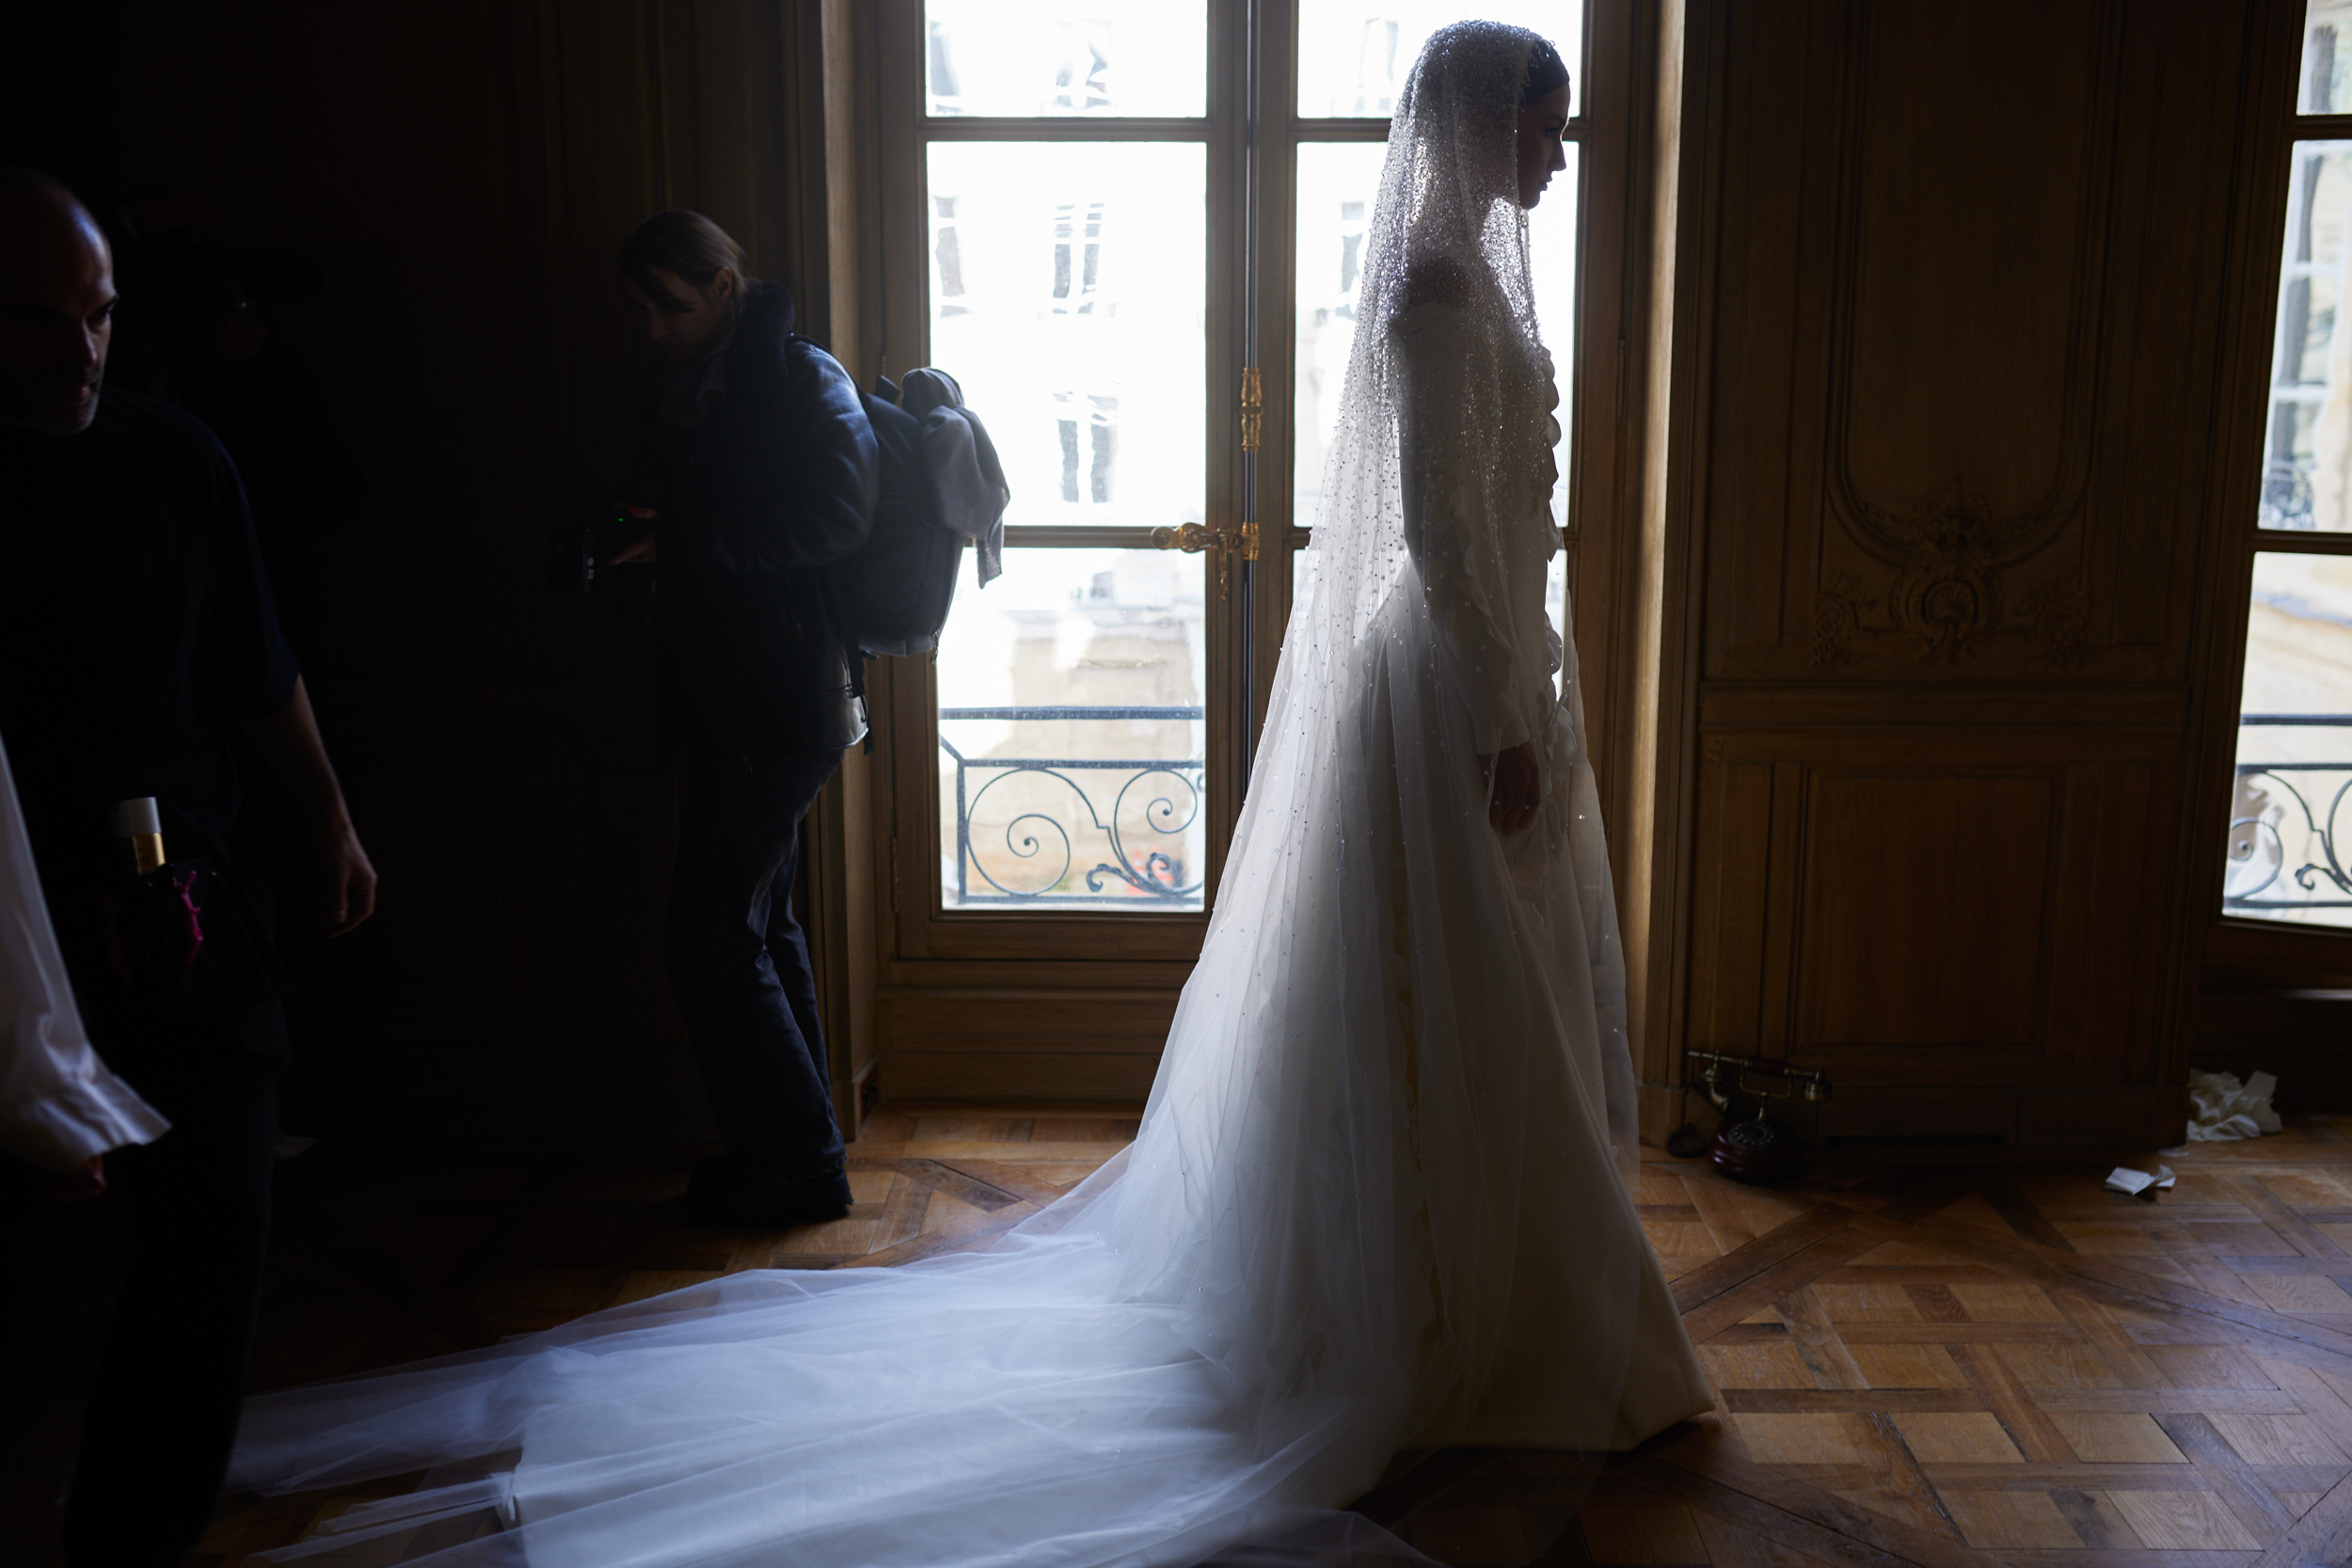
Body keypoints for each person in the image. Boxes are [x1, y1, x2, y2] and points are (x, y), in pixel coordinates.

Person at [227, 26, 1711, 1566]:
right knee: (1436, 1000)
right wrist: (1498, 714)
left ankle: (1508, 1304)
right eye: (1548, 124)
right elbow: (1447, 541)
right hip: (1454, 687)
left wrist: (1527, 683)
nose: (1561, 151)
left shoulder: (1462, 277)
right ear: (1481, 124)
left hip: (1484, 674)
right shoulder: (1438, 294)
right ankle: (1446, 1323)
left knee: (1481, 1002)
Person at [0, 166, 378, 1568]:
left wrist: (331, 815)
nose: (79, 352)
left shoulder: (175, 455)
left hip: (184, 893)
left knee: (216, 1240)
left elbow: (255, 667)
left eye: (97, 316)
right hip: (8, 925)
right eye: (38, 323)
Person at [602, 212, 877, 1228]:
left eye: (669, 305)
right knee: (757, 922)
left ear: (723, 286)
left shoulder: (799, 377)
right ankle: (797, 1144)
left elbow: (837, 515)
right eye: (637, 309)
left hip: (780, 694)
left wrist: (685, 541)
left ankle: (799, 1161)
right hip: (742, 690)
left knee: (712, 936)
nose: (651, 328)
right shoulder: (709, 386)